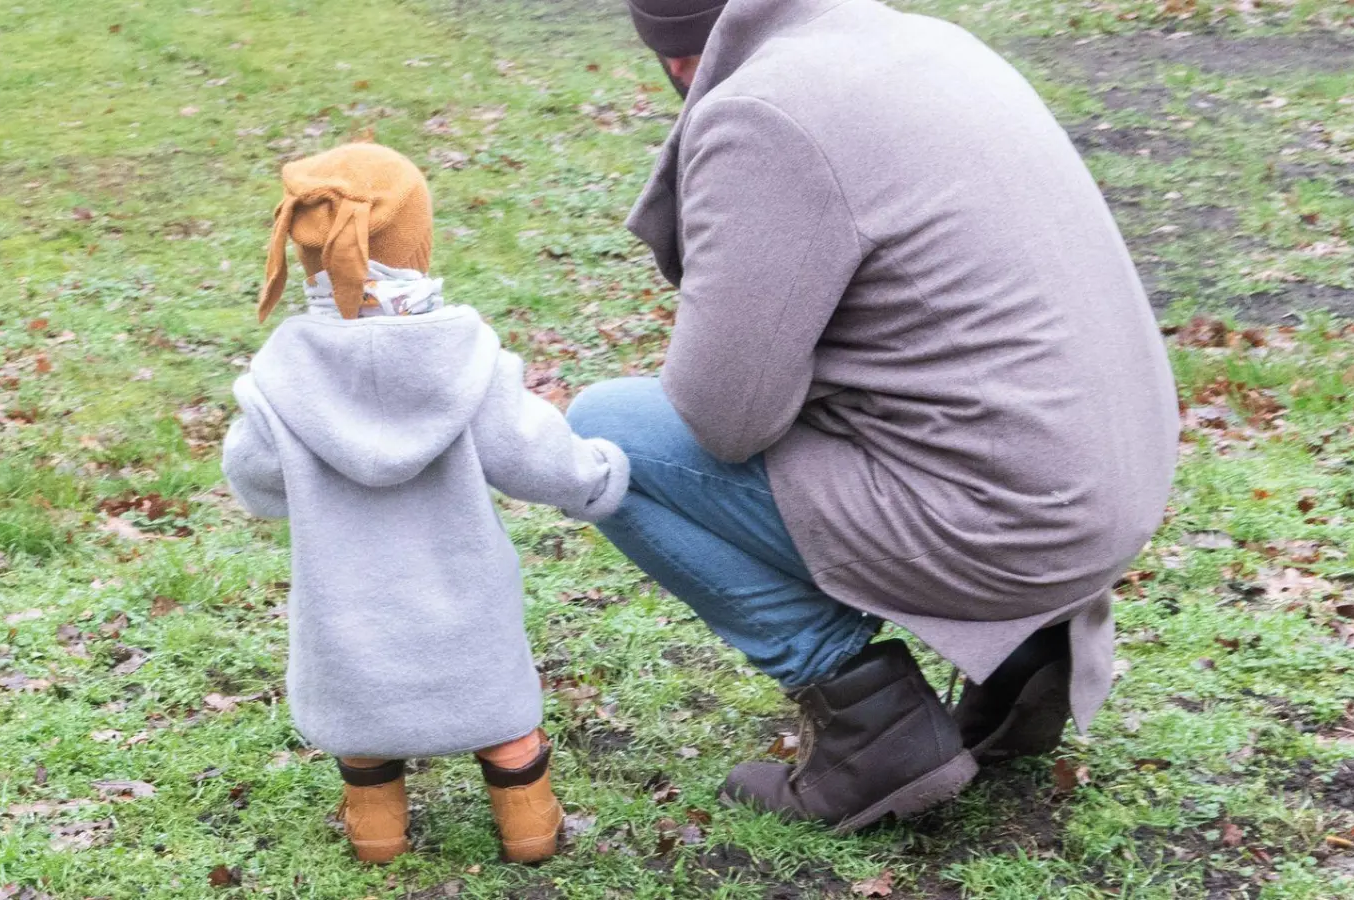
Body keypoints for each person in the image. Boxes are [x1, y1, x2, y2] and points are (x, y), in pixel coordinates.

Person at [566, 0, 1179, 831]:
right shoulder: (916, 38)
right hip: (1110, 485)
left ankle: (871, 722)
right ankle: (1029, 655)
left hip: (1016, 520)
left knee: (608, 431)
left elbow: (725, 418)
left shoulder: (762, 110)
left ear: (678, 59)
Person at [222, 142, 630, 863]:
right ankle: (528, 826)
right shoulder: (465, 357)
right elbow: (531, 453)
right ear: (416, 240)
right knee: (503, 723)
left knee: (364, 726)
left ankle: (378, 831)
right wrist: (597, 476)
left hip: (348, 612)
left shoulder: (282, 378)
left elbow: (256, 481)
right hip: (464, 602)